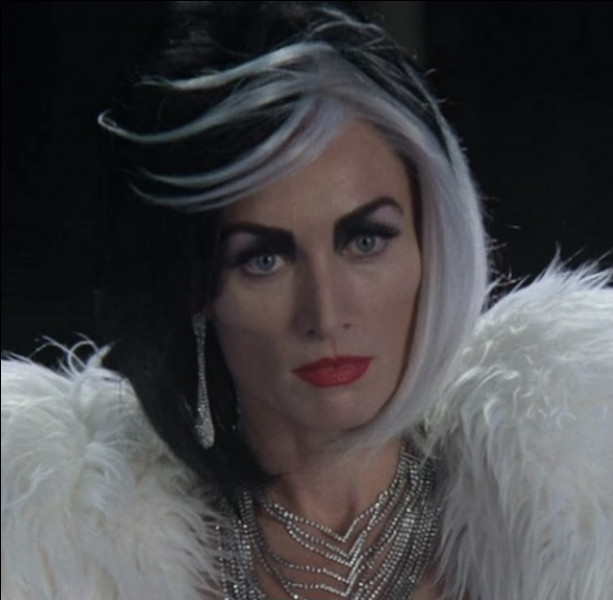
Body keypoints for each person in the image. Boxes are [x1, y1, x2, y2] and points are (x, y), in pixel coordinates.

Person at [2, 2, 611, 599]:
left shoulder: (577, 520)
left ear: (433, 244)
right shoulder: (71, 563)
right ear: (194, 290)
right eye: (264, 259)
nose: (324, 313)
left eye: (365, 241)